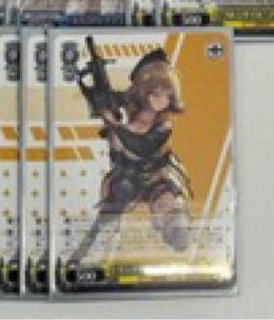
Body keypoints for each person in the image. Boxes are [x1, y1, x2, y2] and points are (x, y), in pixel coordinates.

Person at [68, 45, 191, 263]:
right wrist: (95, 95)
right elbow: (104, 99)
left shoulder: (163, 126)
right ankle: (83, 255)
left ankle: (177, 236)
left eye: (167, 95)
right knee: (110, 211)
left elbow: (139, 146)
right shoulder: (128, 104)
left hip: (157, 174)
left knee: (171, 205)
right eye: (155, 93)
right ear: (144, 91)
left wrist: (114, 124)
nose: (161, 100)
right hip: (127, 174)